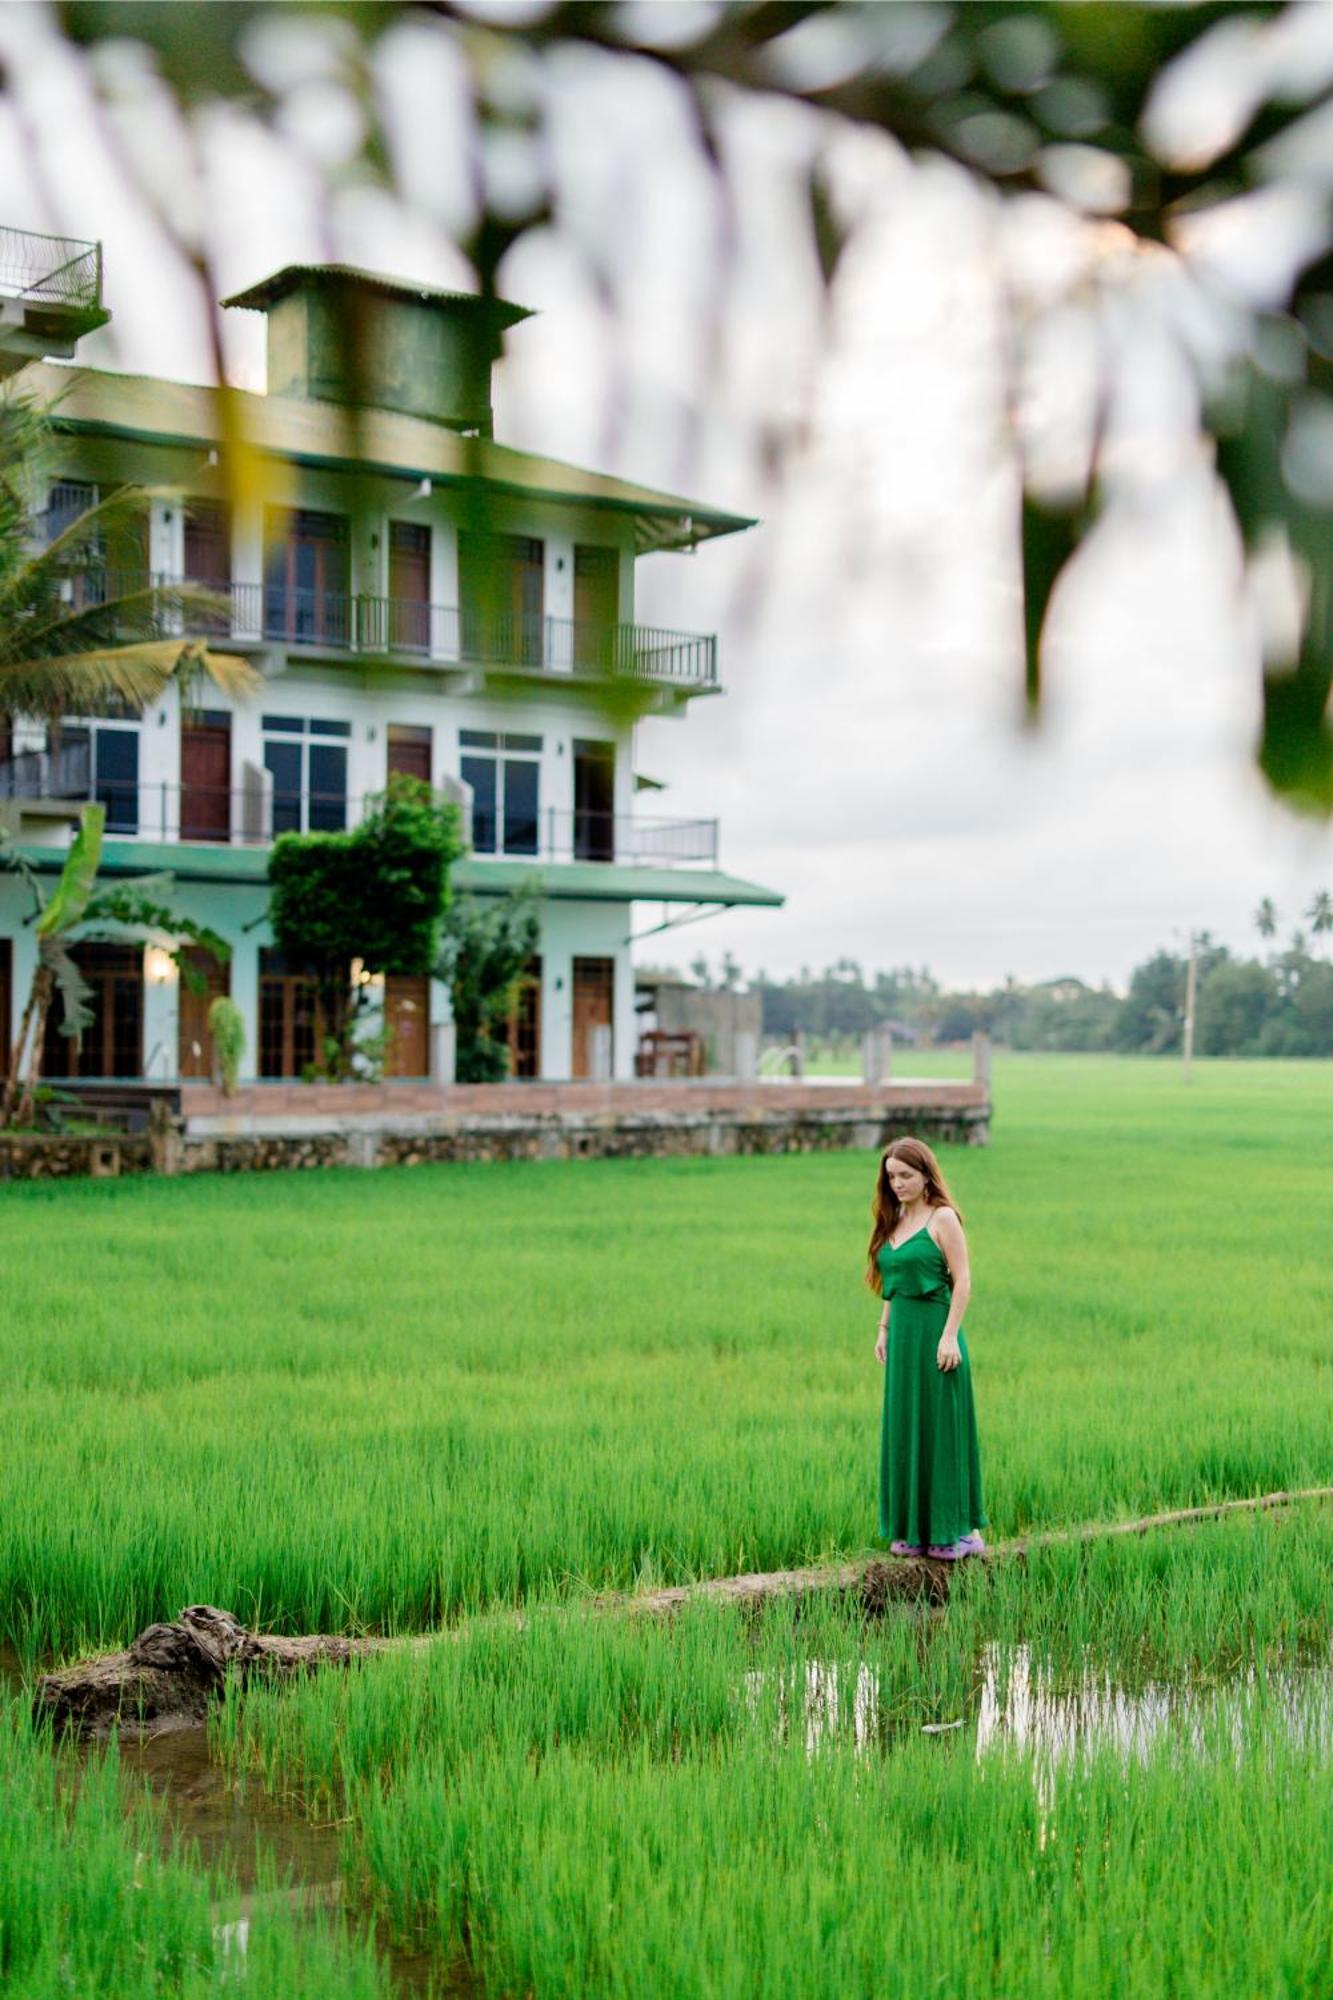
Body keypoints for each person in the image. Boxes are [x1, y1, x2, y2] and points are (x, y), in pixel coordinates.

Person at [868, 1136, 987, 1560]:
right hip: (902, 1336)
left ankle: (957, 1529)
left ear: (925, 1175)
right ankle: (912, 1529)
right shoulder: (895, 1218)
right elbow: (891, 1279)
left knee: (941, 1430)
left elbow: (964, 1280)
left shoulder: (943, 1219)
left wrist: (950, 1334)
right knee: (905, 1427)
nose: (897, 1183)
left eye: (906, 1175)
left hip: (937, 1336)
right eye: (892, 1177)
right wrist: (883, 1328)